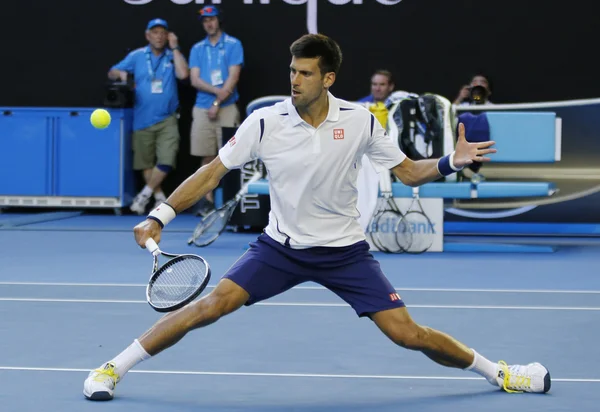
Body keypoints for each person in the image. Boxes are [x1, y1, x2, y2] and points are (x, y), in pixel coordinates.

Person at [84, 34, 550, 401]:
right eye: (292, 71)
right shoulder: (265, 121)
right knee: (209, 307)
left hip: (344, 254)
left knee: (408, 334)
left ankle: (502, 373)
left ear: (327, 79)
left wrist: (450, 161)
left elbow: (409, 172)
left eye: (305, 73)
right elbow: (211, 173)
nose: (295, 80)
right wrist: (161, 214)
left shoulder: (361, 121)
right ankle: (112, 367)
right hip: (279, 250)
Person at [109, 18, 189, 215]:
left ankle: (144, 195)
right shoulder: (137, 56)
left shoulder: (172, 56)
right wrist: (120, 74)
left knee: (167, 159)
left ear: (168, 36)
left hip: (167, 118)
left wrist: (176, 47)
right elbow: (112, 71)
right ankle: (160, 198)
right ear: (147, 35)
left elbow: (183, 74)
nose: (159, 36)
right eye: (155, 32)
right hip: (142, 117)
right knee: (145, 162)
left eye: (163, 32)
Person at [188, 5, 244, 216]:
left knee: (231, 156)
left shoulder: (233, 44)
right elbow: (194, 79)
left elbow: (233, 77)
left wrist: (217, 103)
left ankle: (229, 201)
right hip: (202, 108)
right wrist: (214, 97)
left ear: (218, 20)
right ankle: (206, 201)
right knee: (206, 155)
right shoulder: (197, 48)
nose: (209, 23)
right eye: (205, 21)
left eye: (212, 19)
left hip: (227, 107)